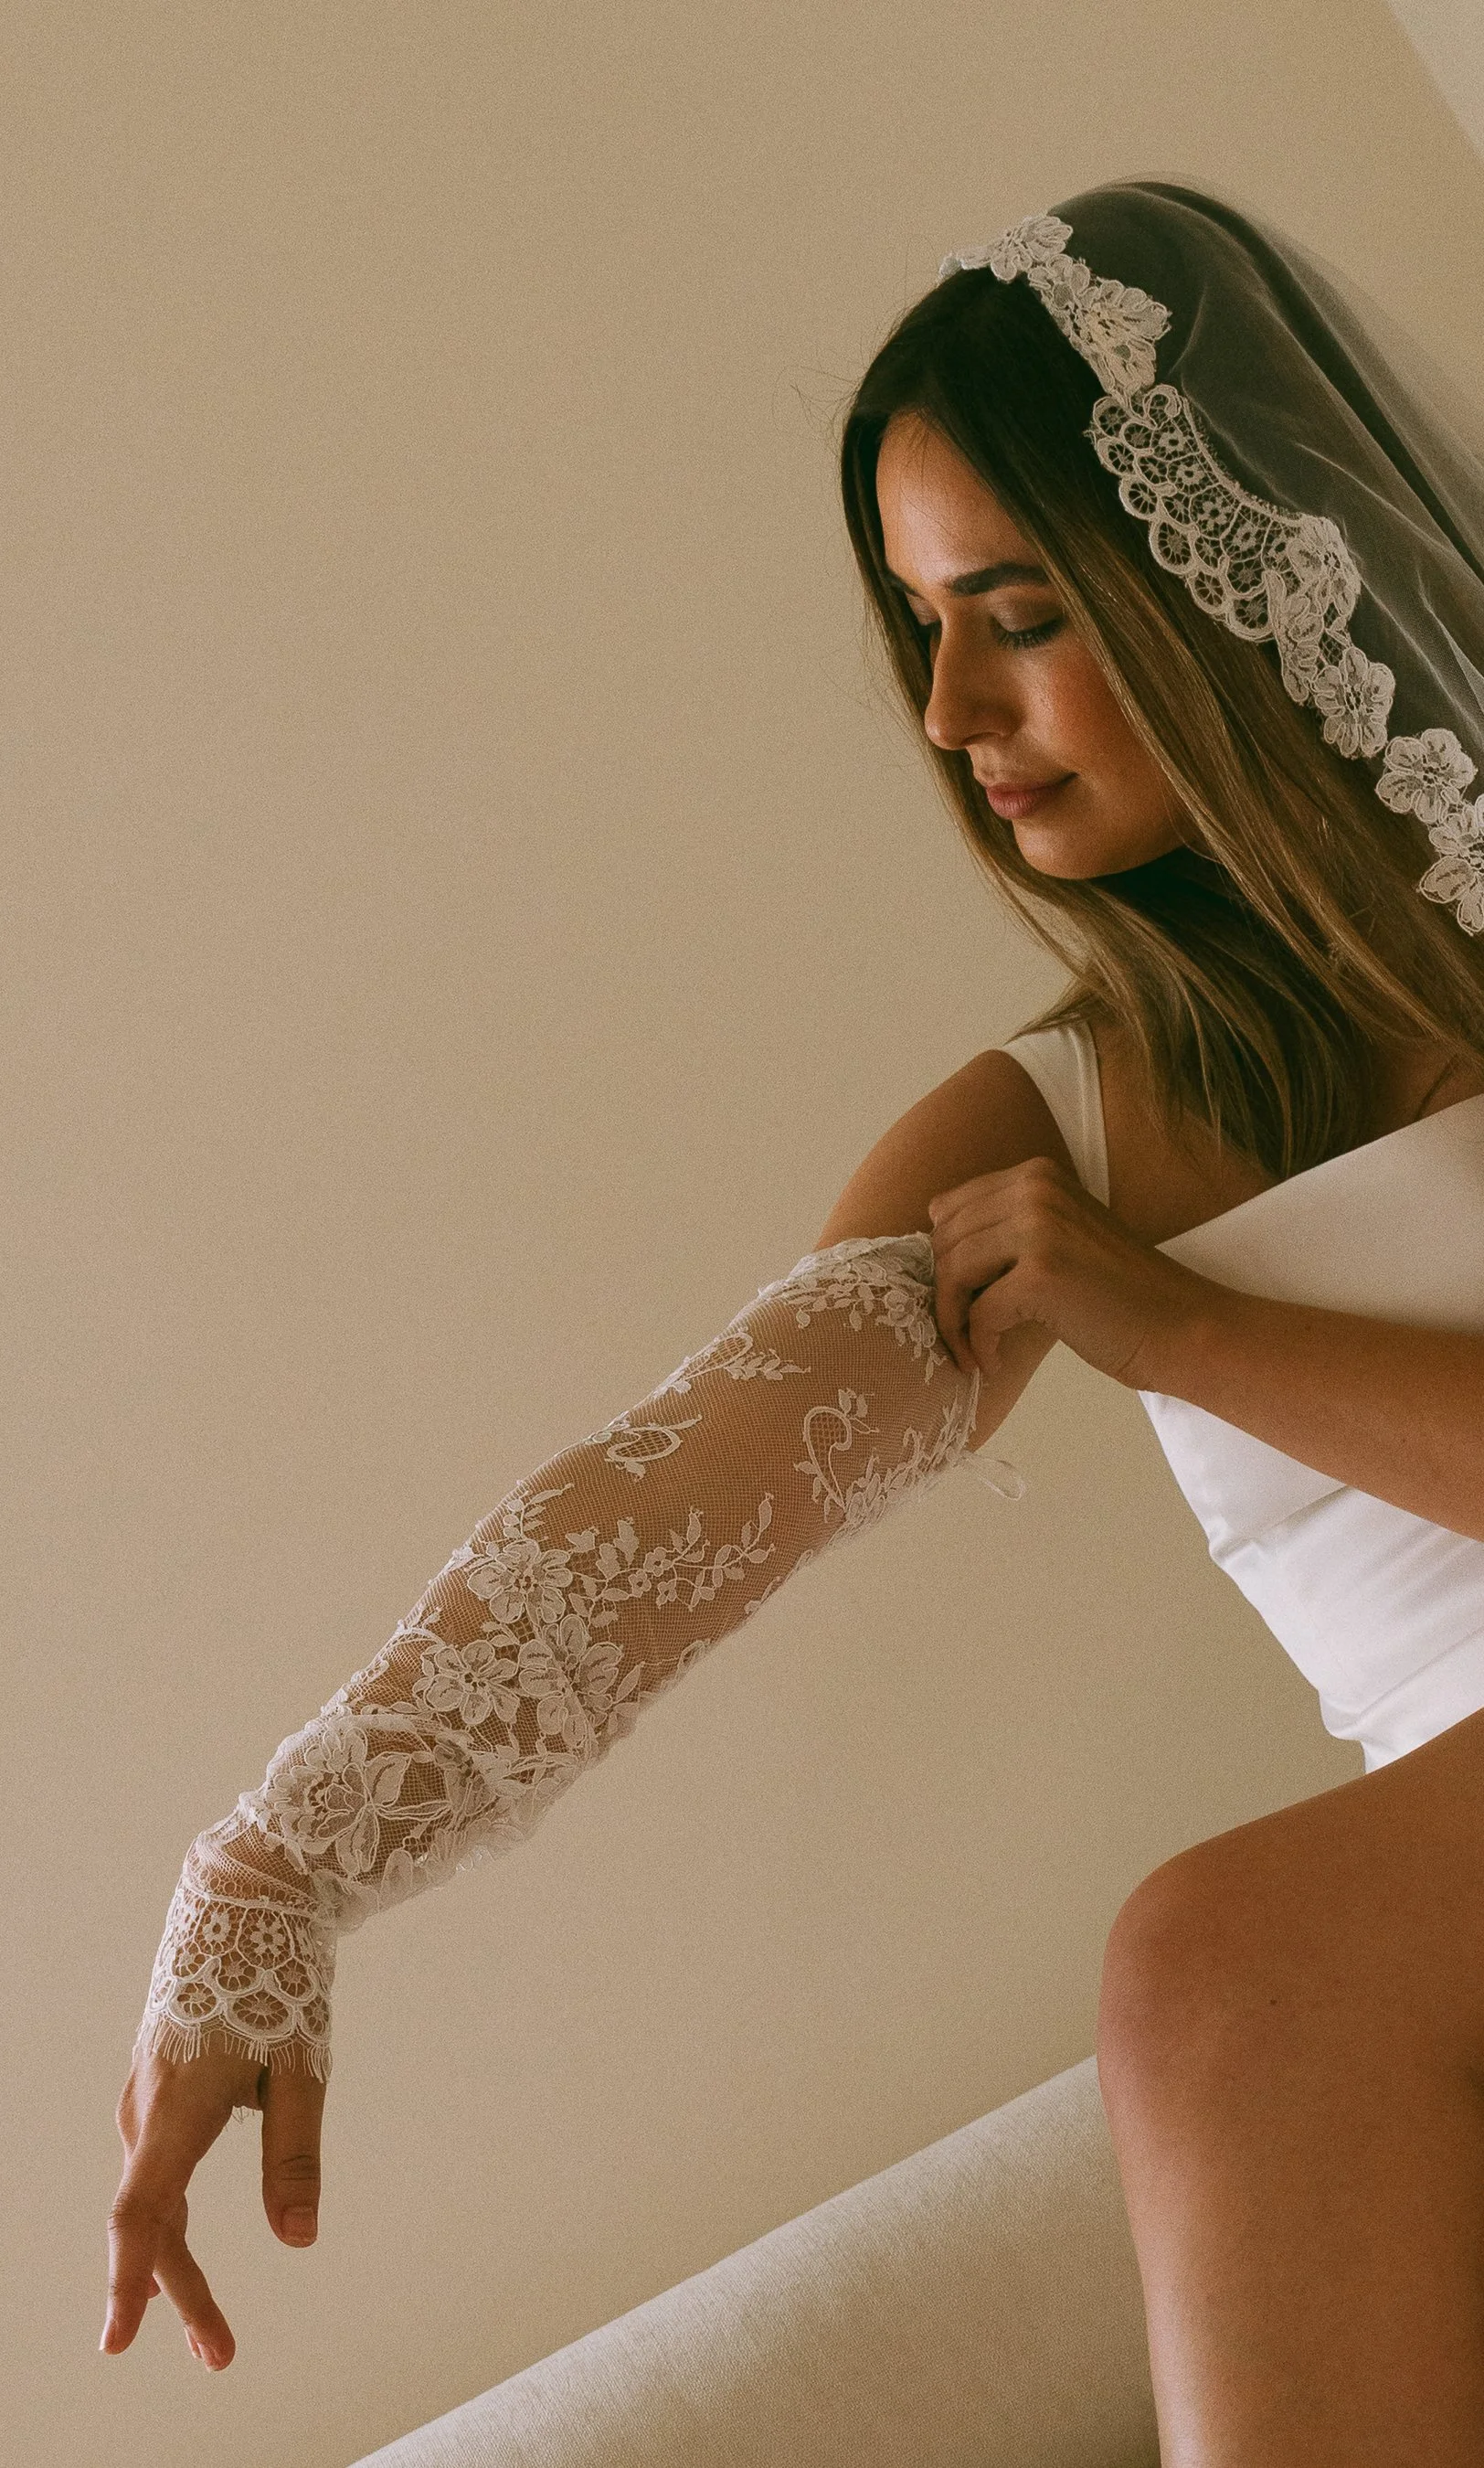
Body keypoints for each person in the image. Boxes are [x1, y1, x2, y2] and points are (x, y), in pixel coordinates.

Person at [103, 181, 1484, 2459]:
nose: (950, 712)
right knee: (1233, 1970)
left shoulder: (1114, 1233)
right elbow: (659, 1522)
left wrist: (1188, 1330)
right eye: (921, 626)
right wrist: (265, 1879)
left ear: (1229, 569)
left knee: (1220, 1961)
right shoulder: (1046, 1126)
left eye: (1019, 613)